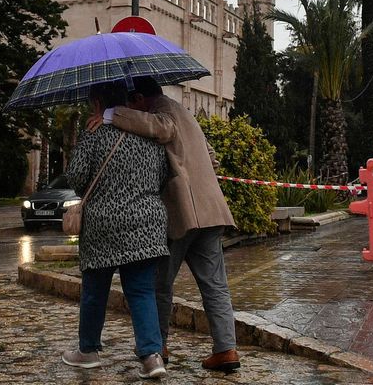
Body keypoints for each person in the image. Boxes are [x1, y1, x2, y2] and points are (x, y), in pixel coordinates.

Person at [98, 75, 240, 372]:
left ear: (139, 99)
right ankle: (226, 349)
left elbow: (161, 127)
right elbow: (211, 158)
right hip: (211, 210)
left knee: (158, 284)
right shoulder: (187, 113)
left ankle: (158, 346)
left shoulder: (164, 112)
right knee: (215, 286)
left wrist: (110, 115)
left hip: (182, 213)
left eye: (131, 104)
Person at [62, 81, 170, 380]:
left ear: (97, 102)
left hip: (104, 225)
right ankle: (152, 357)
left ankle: (88, 351)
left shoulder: (94, 134)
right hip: (148, 222)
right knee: (142, 291)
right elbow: (162, 177)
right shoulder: (149, 136)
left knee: (95, 290)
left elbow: (77, 176)